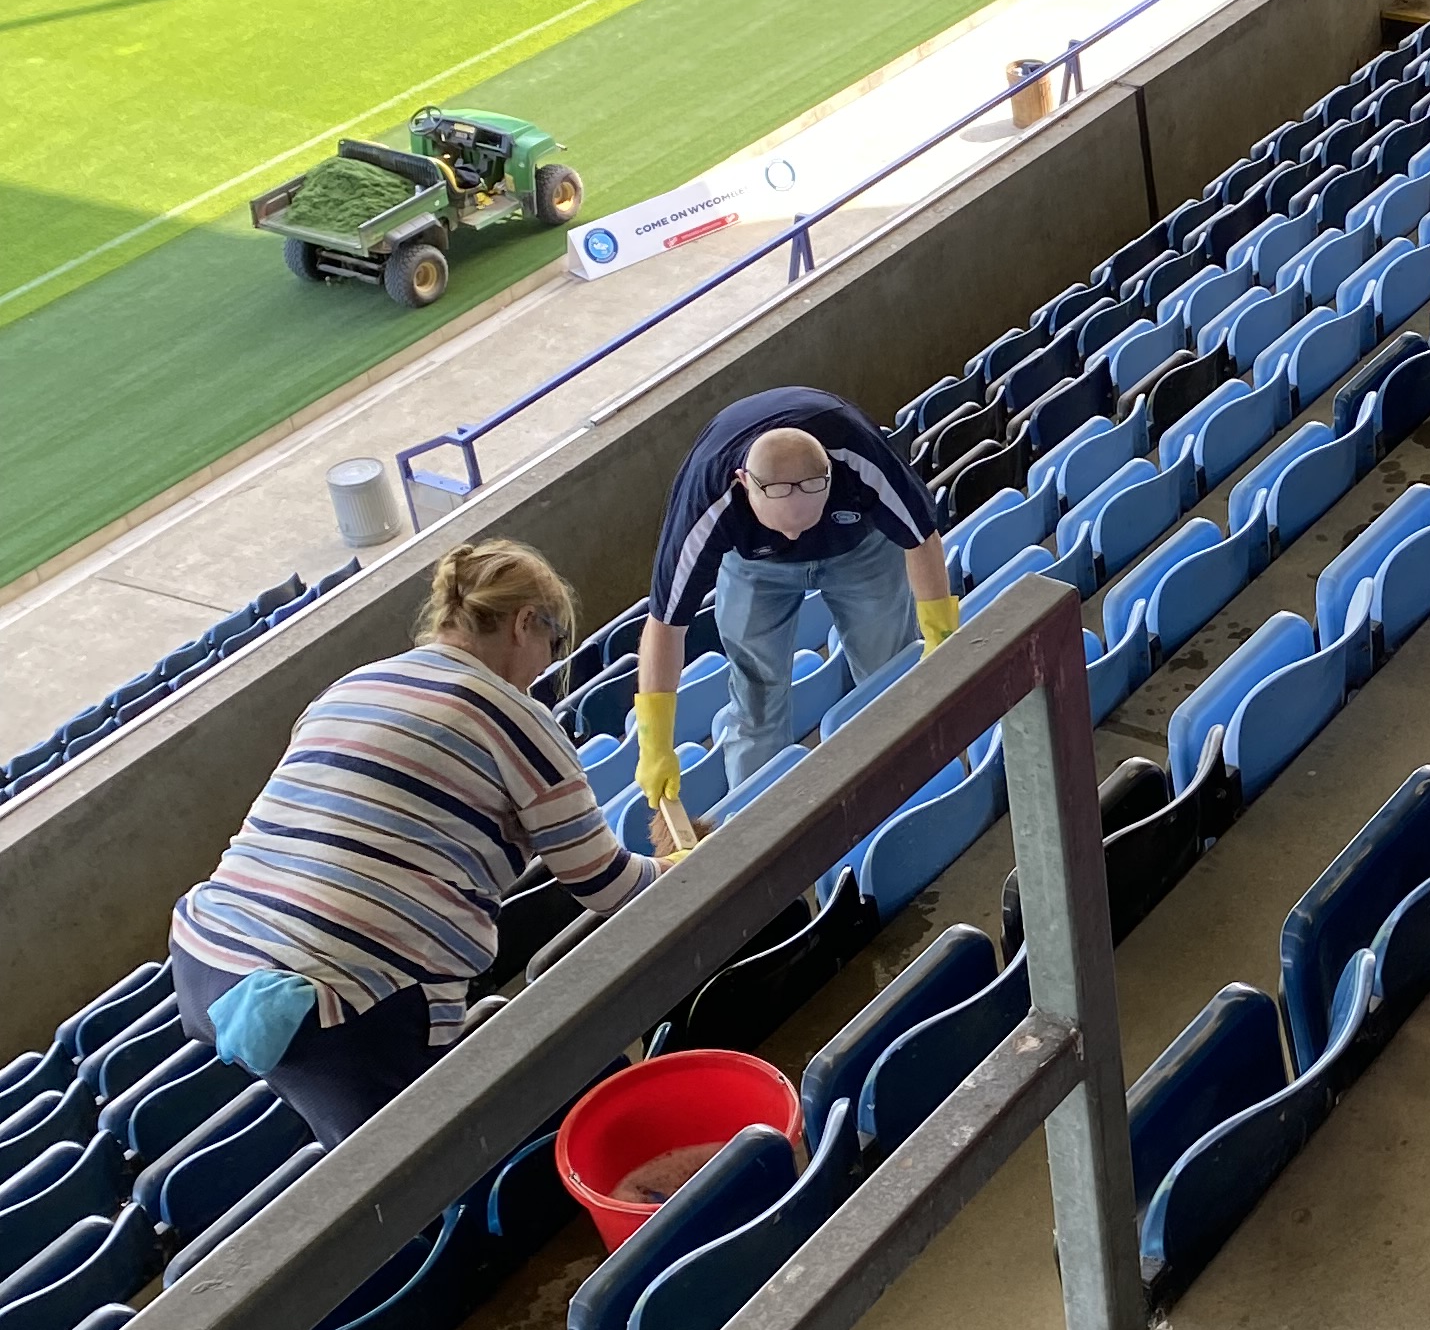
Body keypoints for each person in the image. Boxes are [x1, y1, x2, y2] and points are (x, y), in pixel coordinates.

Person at [170, 541, 649, 1149]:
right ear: (526, 623)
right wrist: (683, 864)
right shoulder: (514, 717)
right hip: (333, 999)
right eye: (552, 645)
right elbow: (606, 884)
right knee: (421, 1165)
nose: (544, 668)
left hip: (209, 959)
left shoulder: (352, 684)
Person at [636, 384, 956, 812]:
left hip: (858, 549)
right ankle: (758, 816)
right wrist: (655, 743)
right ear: (743, 483)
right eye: (782, 526)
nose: (793, 536)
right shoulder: (706, 498)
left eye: (804, 522)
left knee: (889, 667)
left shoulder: (859, 455)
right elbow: (666, 623)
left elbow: (921, 539)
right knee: (756, 693)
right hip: (757, 567)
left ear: (831, 476)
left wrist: (941, 639)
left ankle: (907, 783)